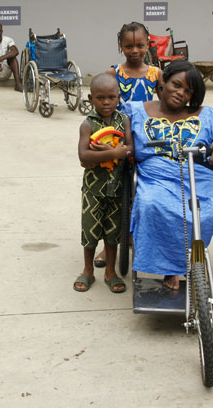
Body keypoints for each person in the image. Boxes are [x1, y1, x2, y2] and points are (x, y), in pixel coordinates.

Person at [124, 61, 213, 290]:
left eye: (188, 91)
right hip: (157, 174)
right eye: (177, 85)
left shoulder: (210, 116)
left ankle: (189, 264)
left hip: (199, 173)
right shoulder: (134, 111)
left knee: (206, 214)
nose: (181, 93)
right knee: (151, 204)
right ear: (163, 81)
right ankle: (170, 269)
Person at [93, 21, 163, 268]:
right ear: (120, 46)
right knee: (114, 192)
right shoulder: (114, 73)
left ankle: (133, 237)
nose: (135, 50)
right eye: (129, 45)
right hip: (119, 138)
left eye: (140, 45)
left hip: (146, 138)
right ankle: (108, 246)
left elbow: (166, 105)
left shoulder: (155, 74)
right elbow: (103, 104)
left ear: (148, 44)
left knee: (141, 190)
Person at [74, 74, 133, 293]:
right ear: (91, 99)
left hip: (117, 189)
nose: (106, 102)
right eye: (100, 98)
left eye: (111, 97)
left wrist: (116, 151)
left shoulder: (124, 120)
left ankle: (110, 271)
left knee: (113, 232)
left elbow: (131, 149)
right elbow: (82, 154)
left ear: (118, 97)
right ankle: (88, 270)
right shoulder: (88, 124)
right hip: (93, 190)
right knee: (90, 231)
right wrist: (113, 152)